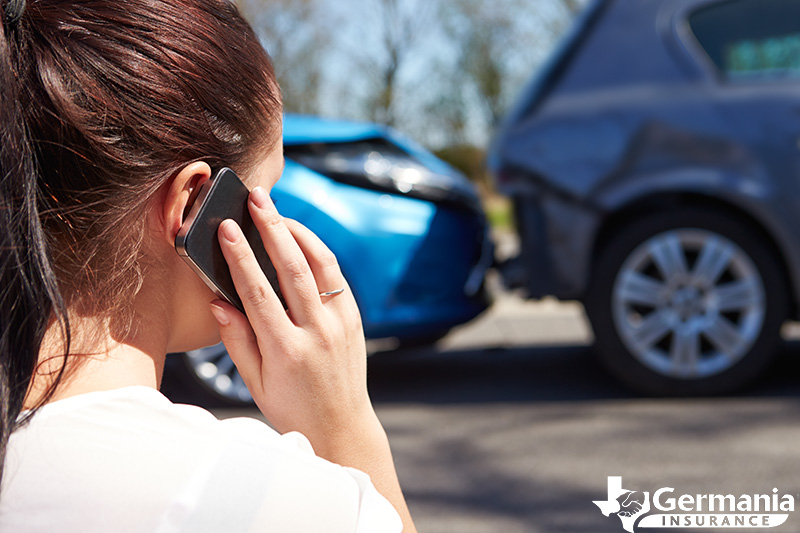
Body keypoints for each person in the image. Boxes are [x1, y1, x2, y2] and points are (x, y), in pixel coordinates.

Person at [0, 0, 416, 531]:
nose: (275, 224)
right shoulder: (265, 496)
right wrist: (347, 429)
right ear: (195, 202)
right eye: (266, 194)